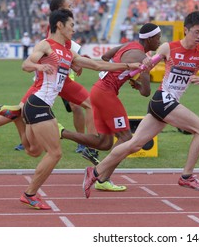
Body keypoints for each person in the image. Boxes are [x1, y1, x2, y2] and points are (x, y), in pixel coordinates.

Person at [82, 11, 199, 198]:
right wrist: (139, 70)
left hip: (165, 104)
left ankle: (95, 172)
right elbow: (148, 64)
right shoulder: (168, 47)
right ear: (186, 30)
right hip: (163, 99)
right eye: (196, 32)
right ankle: (187, 176)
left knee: (134, 144)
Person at [19, 9, 141, 209]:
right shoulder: (46, 45)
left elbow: (96, 64)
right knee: (55, 154)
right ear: (59, 25)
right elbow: (27, 63)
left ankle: (16, 117)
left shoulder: (68, 53)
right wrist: (39, 67)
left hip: (37, 106)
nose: (74, 30)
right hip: (38, 103)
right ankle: (30, 194)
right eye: (72, 25)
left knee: (33, 150)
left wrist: (128, 66)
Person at [0, 0, 96, 160]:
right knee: (84, 105)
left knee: (22, 109)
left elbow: (66, 54)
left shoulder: (59, 28)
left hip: (51, 78)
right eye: (68, 5)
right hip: (56, 79)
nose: (72, 7)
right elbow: (57, 54)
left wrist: (75, 63)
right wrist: (74, 64)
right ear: (59, 10)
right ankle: (87, 144)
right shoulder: (60, 29)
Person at [59, 23, 161, 191]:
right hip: (106, 93)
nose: (159, 41)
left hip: (98, 89)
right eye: (157, 38)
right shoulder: (142, 57)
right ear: (149, 39)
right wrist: (140, 75)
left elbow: (106, 57)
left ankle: (62, 132)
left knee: (105, 142)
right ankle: (102, 177)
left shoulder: (128, 45)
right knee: (126, 137)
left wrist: (125, 75)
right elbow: (146, 92)